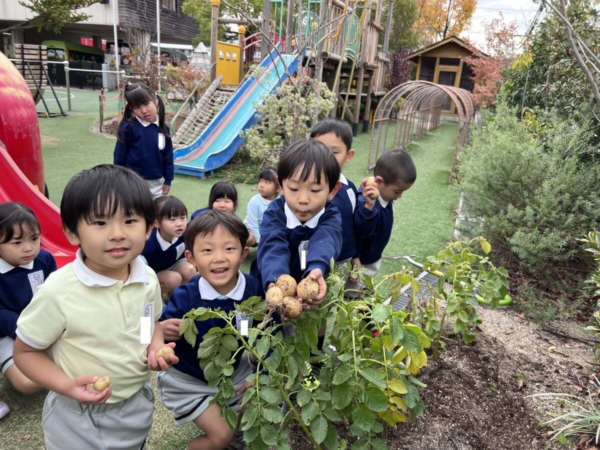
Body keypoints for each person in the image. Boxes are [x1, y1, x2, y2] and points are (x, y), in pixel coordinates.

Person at [13, 165, 177, 450]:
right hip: (76, 416)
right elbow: (25, 352)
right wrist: (65, 386)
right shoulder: (58, 291)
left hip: (136, 403)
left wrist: (153, 347)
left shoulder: (147, 278)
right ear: (72, 232)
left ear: (149, 227)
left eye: (130, 221)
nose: (117, 234)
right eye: (100, 223)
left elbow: (147, 325)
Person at [158, 210, 263, 450]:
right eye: (207, 250)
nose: (219, 258)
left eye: (229, 249)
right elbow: (159, 330)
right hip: (189, 380)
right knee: (220, 435)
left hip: (233, 374)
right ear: (191, 258)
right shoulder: (186, 296)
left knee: (257, 406)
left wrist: (261, 374)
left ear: (244, 253)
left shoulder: (254, 290)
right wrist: (163, 330)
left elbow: (267, 331)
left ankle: (235, 440)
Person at [251, 139, 343, 305]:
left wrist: (317, 267)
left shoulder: (330, 216)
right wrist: (277, 281)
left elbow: (326, 239)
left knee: (311, 322)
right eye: (293, 189)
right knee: (267, 324)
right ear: (281, 186)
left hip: (309, 286)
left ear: (333, 190)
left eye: (315, 190)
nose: (303, 200)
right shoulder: (275, 213)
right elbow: (273, 247)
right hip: (269, 282)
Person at [310, 119, 378, 293]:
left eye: (333, 152)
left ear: (348, 155)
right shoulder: (303, 191)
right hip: (310, 262)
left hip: (341, 261)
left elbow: (352, 229)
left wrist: (355, 257)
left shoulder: (349, 190)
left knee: (334, 303)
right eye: (319, 149)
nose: (325, 158)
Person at [0, 203, 56, 395]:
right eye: (17, 242)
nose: (29, 248)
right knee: (29, 384)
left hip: (42, 327)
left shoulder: (44, 260)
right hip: (8, 333)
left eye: (34, 238)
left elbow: (55, 294)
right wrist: (29, 334)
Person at [357, 149, 417, 277]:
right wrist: (368, 207)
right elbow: (356, 232)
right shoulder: (364, 204)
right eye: (397, 191)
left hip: (374, 257)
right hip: (359, 264)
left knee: (367, 291)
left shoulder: (386, 199)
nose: (399, 196)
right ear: (378, 182)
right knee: (354, 294)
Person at [113, 82, 174, 199]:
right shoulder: (129, 127)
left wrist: (168, 179)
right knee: (136, 213)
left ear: (155, 100)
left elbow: (167, 155)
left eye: (146, 104)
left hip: (157, 183)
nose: (144, 110)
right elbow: (119, 156)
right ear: (131, 109)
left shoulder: (163, 128)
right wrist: (118, 179)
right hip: (132, 182)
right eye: (137, 107)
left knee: (155, 214)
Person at [143, 196, 197, 298]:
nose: (180, 224)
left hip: (174, 263)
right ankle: (153, 299)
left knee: (190, 270)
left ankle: (175, 297)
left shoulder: (185, 234)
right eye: (172, 219)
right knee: (173, 279)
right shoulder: (149, 245)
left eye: (182, 217)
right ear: (156, 223)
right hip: (154, 272)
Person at [243, 166, 279, 247]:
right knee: (249, 238)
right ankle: (239, 248)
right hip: (251, 230)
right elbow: (252, 225)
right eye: (260, 181)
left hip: (268, 232)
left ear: (278, 188)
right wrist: (261, 241)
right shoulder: (254, 202)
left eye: (267, 182)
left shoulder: (280, 202)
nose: (261, 185)